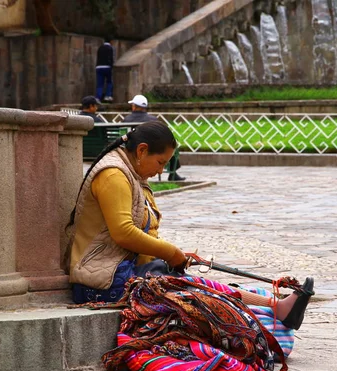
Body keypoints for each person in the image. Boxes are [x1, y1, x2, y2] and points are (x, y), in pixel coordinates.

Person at [64, 121, 314, 339]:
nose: (161, 170)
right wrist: (171, 254)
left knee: (191, 283)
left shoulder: (130, 173)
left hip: (118, 273)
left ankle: (276, 308)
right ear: (142, 151)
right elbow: (124, 233)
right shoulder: (113, 175)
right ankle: (275, 308)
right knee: (193, 288)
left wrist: (175, 258)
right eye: (160, 162)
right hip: (100, 284)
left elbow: (136, 237)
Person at [123, 95, 186, 181]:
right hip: (152, 147)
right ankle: (173, 173)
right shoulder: (153, 120)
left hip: (130, 147)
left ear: (134, 106)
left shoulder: (126, 119)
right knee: (169, 147)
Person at [96, 38, 114, 102]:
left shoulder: (100, 48)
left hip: (99, 67)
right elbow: (111, 58)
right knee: (109, 82)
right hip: (107, 66)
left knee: (99, 83)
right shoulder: (110, 48)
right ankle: (108, 95)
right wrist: (111, 66)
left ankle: (98, 97)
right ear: (111, 41)